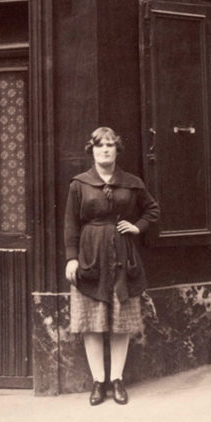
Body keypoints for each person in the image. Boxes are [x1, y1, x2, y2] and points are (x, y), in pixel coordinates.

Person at [64, 126, 159, 405]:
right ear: (91, 150)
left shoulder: (132, 182)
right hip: (90, 256)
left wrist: (137, 227)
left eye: (110, 145)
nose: (105, 149)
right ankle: (98, 382)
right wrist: (71, 258)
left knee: (121, 323)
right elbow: (70, 224)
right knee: (92, 323)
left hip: (122, 257)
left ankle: (117, 379)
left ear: (117, 149)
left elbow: (152, 209)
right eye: (99, 145)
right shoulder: (79, 184)